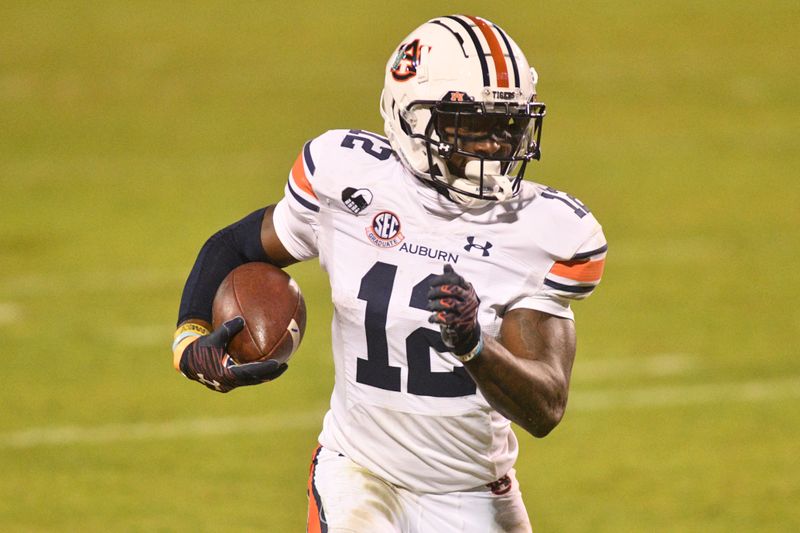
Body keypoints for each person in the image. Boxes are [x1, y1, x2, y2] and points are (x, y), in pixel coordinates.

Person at [171, 14, 606, 533]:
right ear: (411, 118)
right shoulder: (346, 180)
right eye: (472, 125)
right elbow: (235, 244)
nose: (493, 145)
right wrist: (190, 338)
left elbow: (545, 408)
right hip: (360, 470)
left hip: (471, 490)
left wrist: (474, 346)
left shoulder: (542, 230)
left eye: (506, 125)